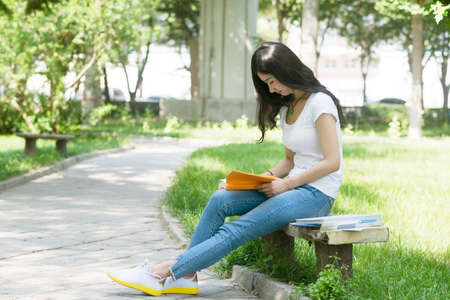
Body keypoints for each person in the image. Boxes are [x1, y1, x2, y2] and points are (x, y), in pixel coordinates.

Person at [107, 41, 344, 296]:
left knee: (236, 229)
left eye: (273, 80)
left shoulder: (320, 103)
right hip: (291, 188)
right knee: (222, 198)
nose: (271, 88)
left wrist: (286, 185)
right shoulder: (288, 107)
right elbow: (288, 161)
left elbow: (332, 161)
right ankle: (186, 275)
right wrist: (258, 180)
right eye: (266, 83)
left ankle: (161, 272)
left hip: (316, 194)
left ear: (288, 70)